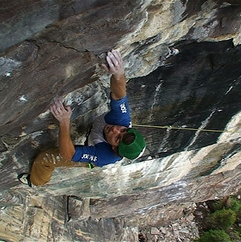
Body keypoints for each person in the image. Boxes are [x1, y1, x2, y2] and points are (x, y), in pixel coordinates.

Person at [18, 49, 146, 186]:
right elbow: (119, 95)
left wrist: (64, 122)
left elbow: (69, 154)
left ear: (114, 148)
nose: (115, 130)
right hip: (95, 133)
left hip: (91, 155)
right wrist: (118, 74)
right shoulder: (122, 120)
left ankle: (35, 181)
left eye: (117, 138)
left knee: (46, 159)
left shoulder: (105, 154)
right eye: (123, 130)